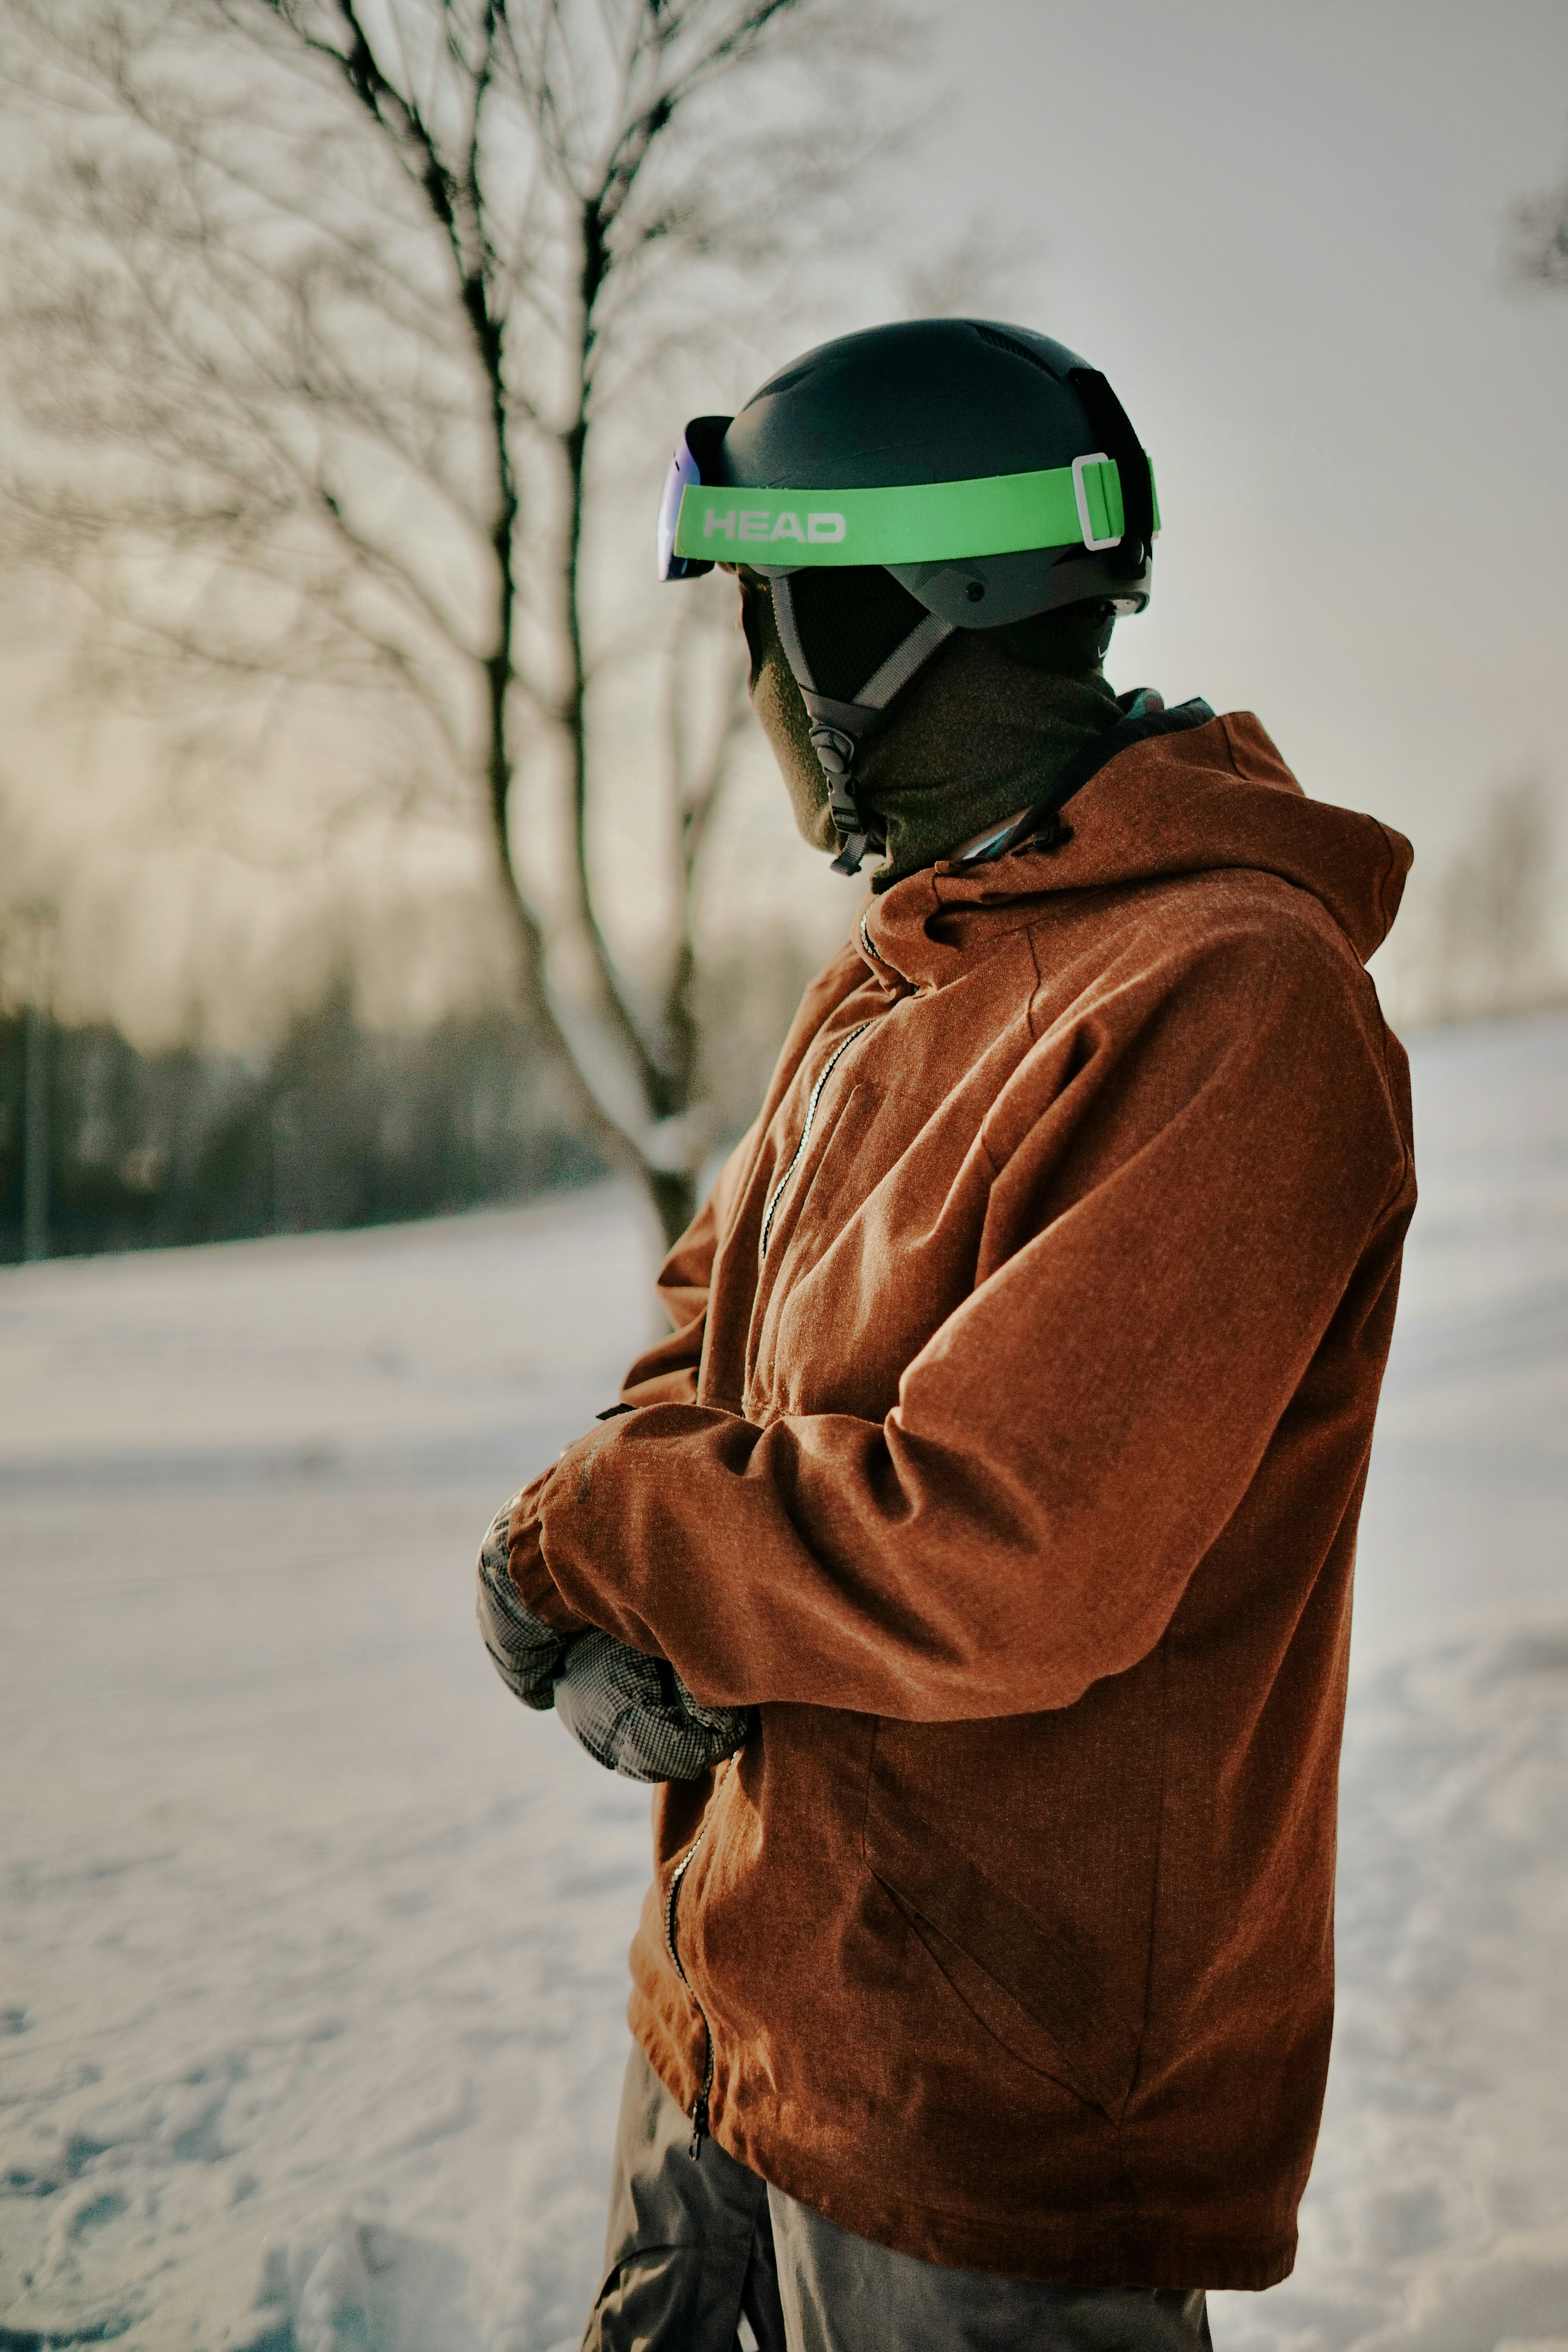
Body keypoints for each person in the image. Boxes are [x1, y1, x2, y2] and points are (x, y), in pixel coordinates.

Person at [475, 318, 1417, 2352]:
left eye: (762, 626)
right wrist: (649, 1578)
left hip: (989, 2136)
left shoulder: (1231, 1002)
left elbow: (1002, 1546)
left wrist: (595, 1542)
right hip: (732, 2016)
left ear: (879, 632)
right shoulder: (905, 966)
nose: (752, 690)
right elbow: (703, 1337)